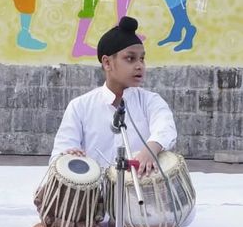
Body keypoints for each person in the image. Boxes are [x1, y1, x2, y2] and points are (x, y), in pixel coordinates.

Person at [50, 16, 177, 177]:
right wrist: (68, 157)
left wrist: (150, 149)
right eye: (130, 58)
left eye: (142, 59)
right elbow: (58, 155)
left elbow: (166, 128)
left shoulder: (150, 101)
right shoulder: (80, 106)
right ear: (107, 63)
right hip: (94, 197)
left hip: (138, 197)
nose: (139, 66)